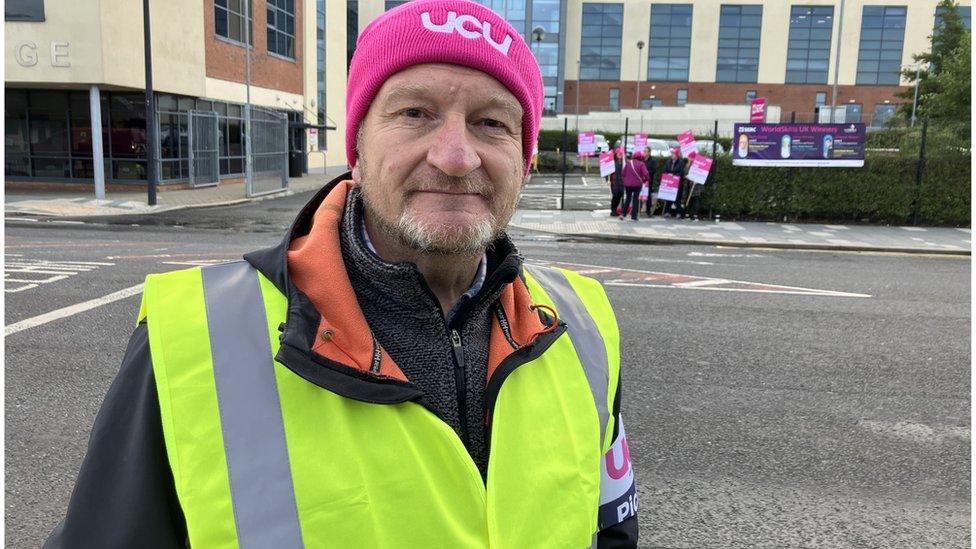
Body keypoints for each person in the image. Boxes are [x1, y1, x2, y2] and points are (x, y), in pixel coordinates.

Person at [44, 1, 638, 547]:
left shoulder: (583, 328)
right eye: (414, 113)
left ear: (527, 161)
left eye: (491, 123)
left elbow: (610, 529)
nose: (455, 156)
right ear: (355, 146)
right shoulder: (193, 339)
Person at [620, 150, 649, 221]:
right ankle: (634, 216)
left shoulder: (628, 163)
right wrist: (645, 180)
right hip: (637, 184)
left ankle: (623, 214)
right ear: (640, 157)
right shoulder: (641, 164)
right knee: (635, 200)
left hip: (628, 184)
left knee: (628, 199)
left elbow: (623, 173)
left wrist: (625, 180)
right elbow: (646, 174)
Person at [661, 147, 686, 218]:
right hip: (669, 183)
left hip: (677, 184)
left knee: (677, 198)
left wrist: (674, 175)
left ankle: (679, 213)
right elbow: (664, 170)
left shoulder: (681, 162)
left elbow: (681, 172)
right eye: (671, 153)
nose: (672, 155)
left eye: (673, 154)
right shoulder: (668, 162)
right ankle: (667, 212)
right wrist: (667, 174)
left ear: (677, 155)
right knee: (668, 198)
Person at [608, 146, 625, 216]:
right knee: (615, 195)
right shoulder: (613, 162)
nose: (620, 155)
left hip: (622, 182)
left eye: (621, 154)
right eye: (619, 153)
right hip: (614, 182)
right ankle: (613, 210)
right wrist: (608, 180)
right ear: (616, 154)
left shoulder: (624, 163)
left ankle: (615, 210)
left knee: (620, 195)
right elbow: (608, 172)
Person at [642, 146, 657, 217]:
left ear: (649, 153)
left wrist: (646, 173)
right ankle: (638, 210)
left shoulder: (653, 160)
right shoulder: (641, 159)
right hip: (641, 180)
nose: (644, 152)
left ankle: (648, 212)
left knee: (648, 196)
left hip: (648, 181)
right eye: (644, 151)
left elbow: (653, 170)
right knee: (639, 195)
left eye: (646, 151)